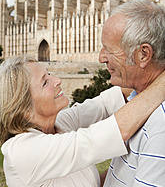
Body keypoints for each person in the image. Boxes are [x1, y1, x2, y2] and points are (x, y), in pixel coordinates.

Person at [0, 57, 164, 187]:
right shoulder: (21, 152)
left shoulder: (58, 125)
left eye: (49, 73)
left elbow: (102, 105)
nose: (57, 80)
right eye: (45, 82)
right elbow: (112, 133)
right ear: (25, 108)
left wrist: (149, 75)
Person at [99, 0, 165, 187]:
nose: (101, 57)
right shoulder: (138, 101)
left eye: (109, 50)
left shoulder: (160, 125)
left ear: (143, 54)